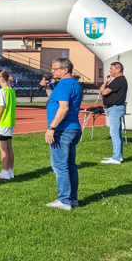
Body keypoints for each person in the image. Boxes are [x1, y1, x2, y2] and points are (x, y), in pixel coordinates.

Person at [44, 57, 83, 210]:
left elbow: (64, 107)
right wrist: (48, 88)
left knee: (60, 166)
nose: (52, 71)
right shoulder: (74, 84)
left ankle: (64, 200)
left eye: (55, 69)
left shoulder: (63, 85)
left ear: (65, 69)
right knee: (70, 165)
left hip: (62, 129)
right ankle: (72, 199)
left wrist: (52, 127)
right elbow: (56, 100)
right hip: (74, 128)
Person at [99, 61, 127, 165]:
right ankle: (117, 156)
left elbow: (104, 92)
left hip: (115, 108)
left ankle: (116, 158)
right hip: (114, 108)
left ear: (118, 69)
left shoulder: (119, 80)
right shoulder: (115, 80)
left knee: (114, 133)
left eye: (111, 69)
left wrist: (105, 88)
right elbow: (101, 90)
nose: (109, 71)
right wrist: (106, 81)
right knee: (116, 133)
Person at [0, 70, 17, 180]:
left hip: (3, 122)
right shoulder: (11, 91)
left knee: (3, 148)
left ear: (2, 78)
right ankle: (10, 171)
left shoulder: (2, 91)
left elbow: (1, 108)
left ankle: (5, 172)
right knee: (9, 147)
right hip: (10, 122)